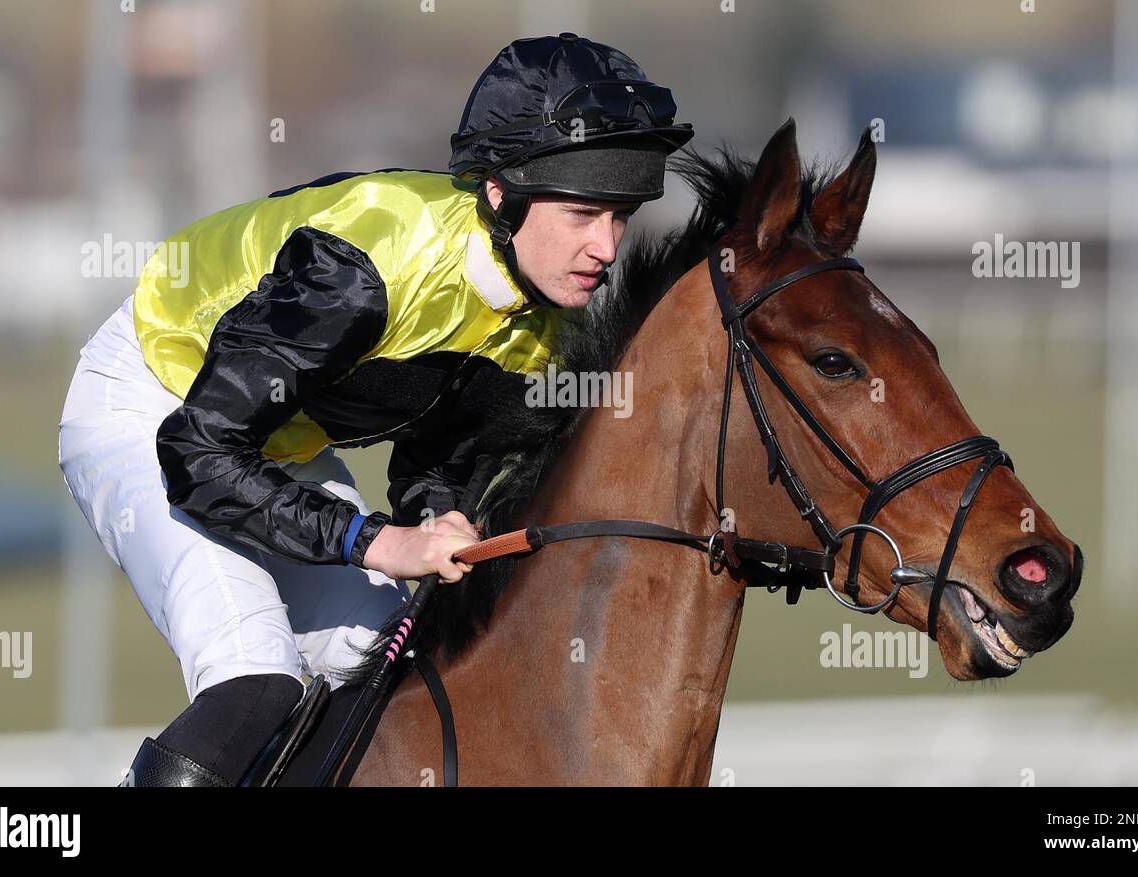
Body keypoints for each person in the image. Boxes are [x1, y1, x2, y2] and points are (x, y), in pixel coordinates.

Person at [57, 32, 693, 787]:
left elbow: (437, 455)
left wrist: (435, 516)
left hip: (270, 440)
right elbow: (199, 456)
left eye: (621, 218)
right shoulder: (361, 269)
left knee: (393, 663)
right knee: (257, 675)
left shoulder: (548, 328)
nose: (606, 248)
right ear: (500, 191)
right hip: (153, 404)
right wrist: (374, 541)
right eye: (585, 213)